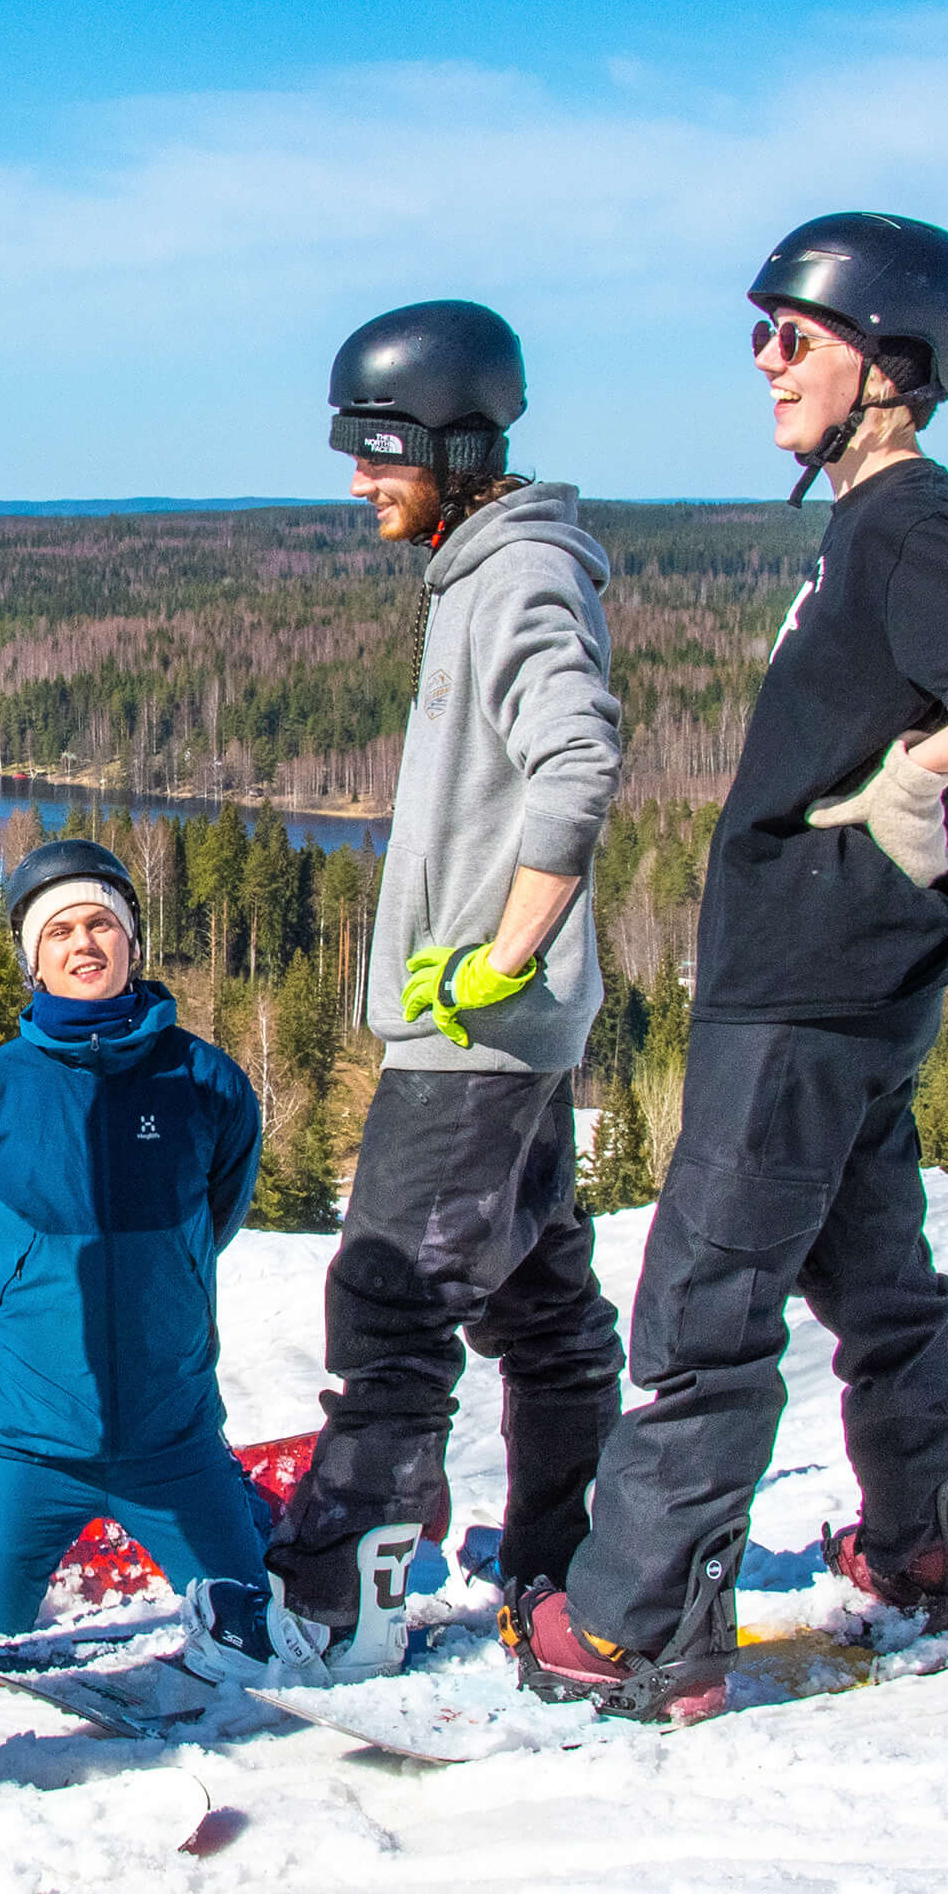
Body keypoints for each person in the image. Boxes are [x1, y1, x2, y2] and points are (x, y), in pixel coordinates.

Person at [523, 213, 948, 1722]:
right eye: (760, 336)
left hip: (803, 985)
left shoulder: (907, 519)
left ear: (890, 358)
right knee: (876, 1276)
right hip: (848, 976)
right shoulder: (869, 523)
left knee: (706, 1300)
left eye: (794, 335)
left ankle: (644, 1623)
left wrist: (931, 765)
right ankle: (945, 1548)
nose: (767, 364)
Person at [180, 298, 631, 1689]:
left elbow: (581, 762)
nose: (360, 480)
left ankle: (332, 1599)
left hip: (474, 1035)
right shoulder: (480, 571)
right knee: (544, 1307)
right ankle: (569, 1559)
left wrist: (501, 956)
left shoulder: (521, 579)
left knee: (387, 1301)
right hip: (505, 1034)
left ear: (452, 440)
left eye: (378, 451)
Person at [0, 839, 267, 1636]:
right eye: (59, 932)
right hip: (28, 1443)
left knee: (251, 1625)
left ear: (132, 942)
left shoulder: (209, 1083)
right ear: (34, 961)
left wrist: (161, 1277)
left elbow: (215, 1221)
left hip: (173, 1438)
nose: (83, 943)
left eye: (100, 924)